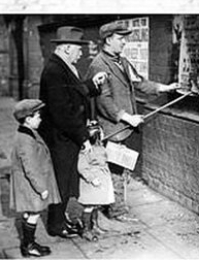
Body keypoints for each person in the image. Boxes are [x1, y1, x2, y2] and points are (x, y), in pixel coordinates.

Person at [87, 20, 180, 222]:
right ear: (108, 40)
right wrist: (128, 117)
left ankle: (110, 204)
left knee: (118, 167)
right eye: (121, 39)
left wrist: (164, 88)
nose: (124, 43)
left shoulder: (121, 61)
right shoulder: (99, 65)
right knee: (116, 168)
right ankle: (117, 210)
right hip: (112, 127)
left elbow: (139, 82)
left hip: (122, 127)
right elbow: (104, 101)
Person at [38, 26, 106, 238]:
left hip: (64, 136)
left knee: (66, 180)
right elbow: (63, 111)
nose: (81, 53)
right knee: (62, 181)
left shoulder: (61, 66)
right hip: (62, 138)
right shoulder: (55, 71)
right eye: (78, 48)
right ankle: (56, 225)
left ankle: (60, 219)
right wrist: (82, 137)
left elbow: (73, 92)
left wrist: (93, 85)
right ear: (67, 48)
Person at [10, 99, 60, 258]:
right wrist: (42, 188)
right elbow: (30, 168)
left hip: (29, 183)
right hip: (31, 185)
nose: (40, 119)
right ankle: (29, 245)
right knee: (34, 213)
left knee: (31, 213)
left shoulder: (27, 132)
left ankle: (28, 242)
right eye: (38, 116)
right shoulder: (26, 140)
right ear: (28, 118)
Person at [77, 120, 114, 242]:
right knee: (89, 206)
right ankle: (86, 230)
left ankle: (95, 226)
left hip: (101, 180)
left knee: (96, 205)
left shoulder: (100, 147)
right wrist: (92, 179)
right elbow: (82, 167)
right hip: (91, 183)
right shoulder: (86, 150)